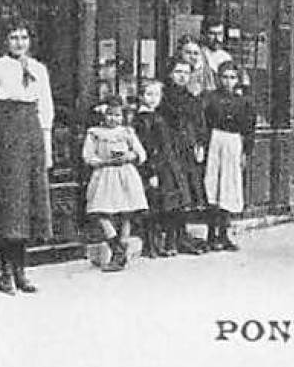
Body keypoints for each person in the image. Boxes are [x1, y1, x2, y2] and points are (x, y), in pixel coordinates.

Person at [0, 21, 54, 296]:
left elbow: (45, 110)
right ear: (5, 40)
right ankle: (5, 270)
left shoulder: (39, 70)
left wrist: (47, 150)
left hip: (31, 134)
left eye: (24, 37)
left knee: (28, 205)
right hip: (6, 135)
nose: (19, 42)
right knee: (10, 204)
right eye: (13, 37)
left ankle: (22, 269)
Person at [81, 98, 148, 272]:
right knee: (100, 211)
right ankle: (115, 245)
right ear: (103, 115)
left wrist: (130, 156)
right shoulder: (95, 133)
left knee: (126, 212)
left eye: (117, 115)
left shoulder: (126, 132)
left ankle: (121, 249)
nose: (113, 119)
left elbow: (141, 153)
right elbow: (88, 156)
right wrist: (102, 161)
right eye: (110, 115)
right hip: (104, 174)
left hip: (125, 174)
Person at [132, 79, 194, 258]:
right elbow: (146, 147)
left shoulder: (158, 116)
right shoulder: (142, 120)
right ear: (141, 96)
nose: (153, 99)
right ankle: (151, 245)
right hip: (155, 166)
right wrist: (150, 171)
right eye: (148, 94)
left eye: (156, 95)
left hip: (168, 165)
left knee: (171, 203)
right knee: (153, 206)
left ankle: (169, 243)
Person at [202, 63, 256, 251]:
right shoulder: (210, 99)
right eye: (225, 77)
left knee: (228, 186)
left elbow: (249, 129)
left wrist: (245, 152)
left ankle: (224, 234)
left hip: (233, 143)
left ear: (238, 80)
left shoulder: (244, 102)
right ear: (219, 78)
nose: (228, 81)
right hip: (215, 140)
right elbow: (204, 123)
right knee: (213, 185)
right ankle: (210, 234)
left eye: (232, 77)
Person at [160, 58, 209, 254]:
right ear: (170, 74)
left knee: (186, 193)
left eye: (186, 73)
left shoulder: (191, 98)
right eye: (178, 72)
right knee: (173, 192)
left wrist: (199, 143)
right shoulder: (164, 97)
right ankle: (171, 239)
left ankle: (182, 236)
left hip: (187, 148)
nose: (182, 76)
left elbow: (199, 123)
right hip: (169, 149)